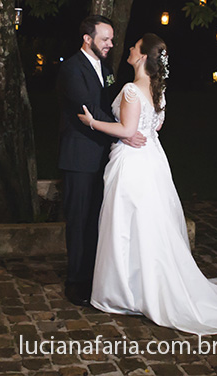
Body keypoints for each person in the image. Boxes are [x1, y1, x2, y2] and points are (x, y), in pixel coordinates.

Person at [77, 33, 217, 335]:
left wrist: (93, 123)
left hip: (133, 163)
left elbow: (127, 128)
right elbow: (153, 126)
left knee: (126, 222)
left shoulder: (132, 90)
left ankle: (125, 292)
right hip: (152, 159)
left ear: (143, 56)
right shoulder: (158, 92)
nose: (130, 50)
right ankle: (136, 286)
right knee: (146, 223)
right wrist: (133, 131)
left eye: (134, 48)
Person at [55, 15, 146, 307]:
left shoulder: (105, 68)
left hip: (103, 156)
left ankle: (96, 275)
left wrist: (125, 128)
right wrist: (124, 133)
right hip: (79, 157)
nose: (110, 44)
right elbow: (88, 109)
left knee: (98, 217)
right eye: (105, 39)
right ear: (87, 38)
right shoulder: (71, 69)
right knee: (79, 220)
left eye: (111, 39)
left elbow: (109, 104)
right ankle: (76, 281)